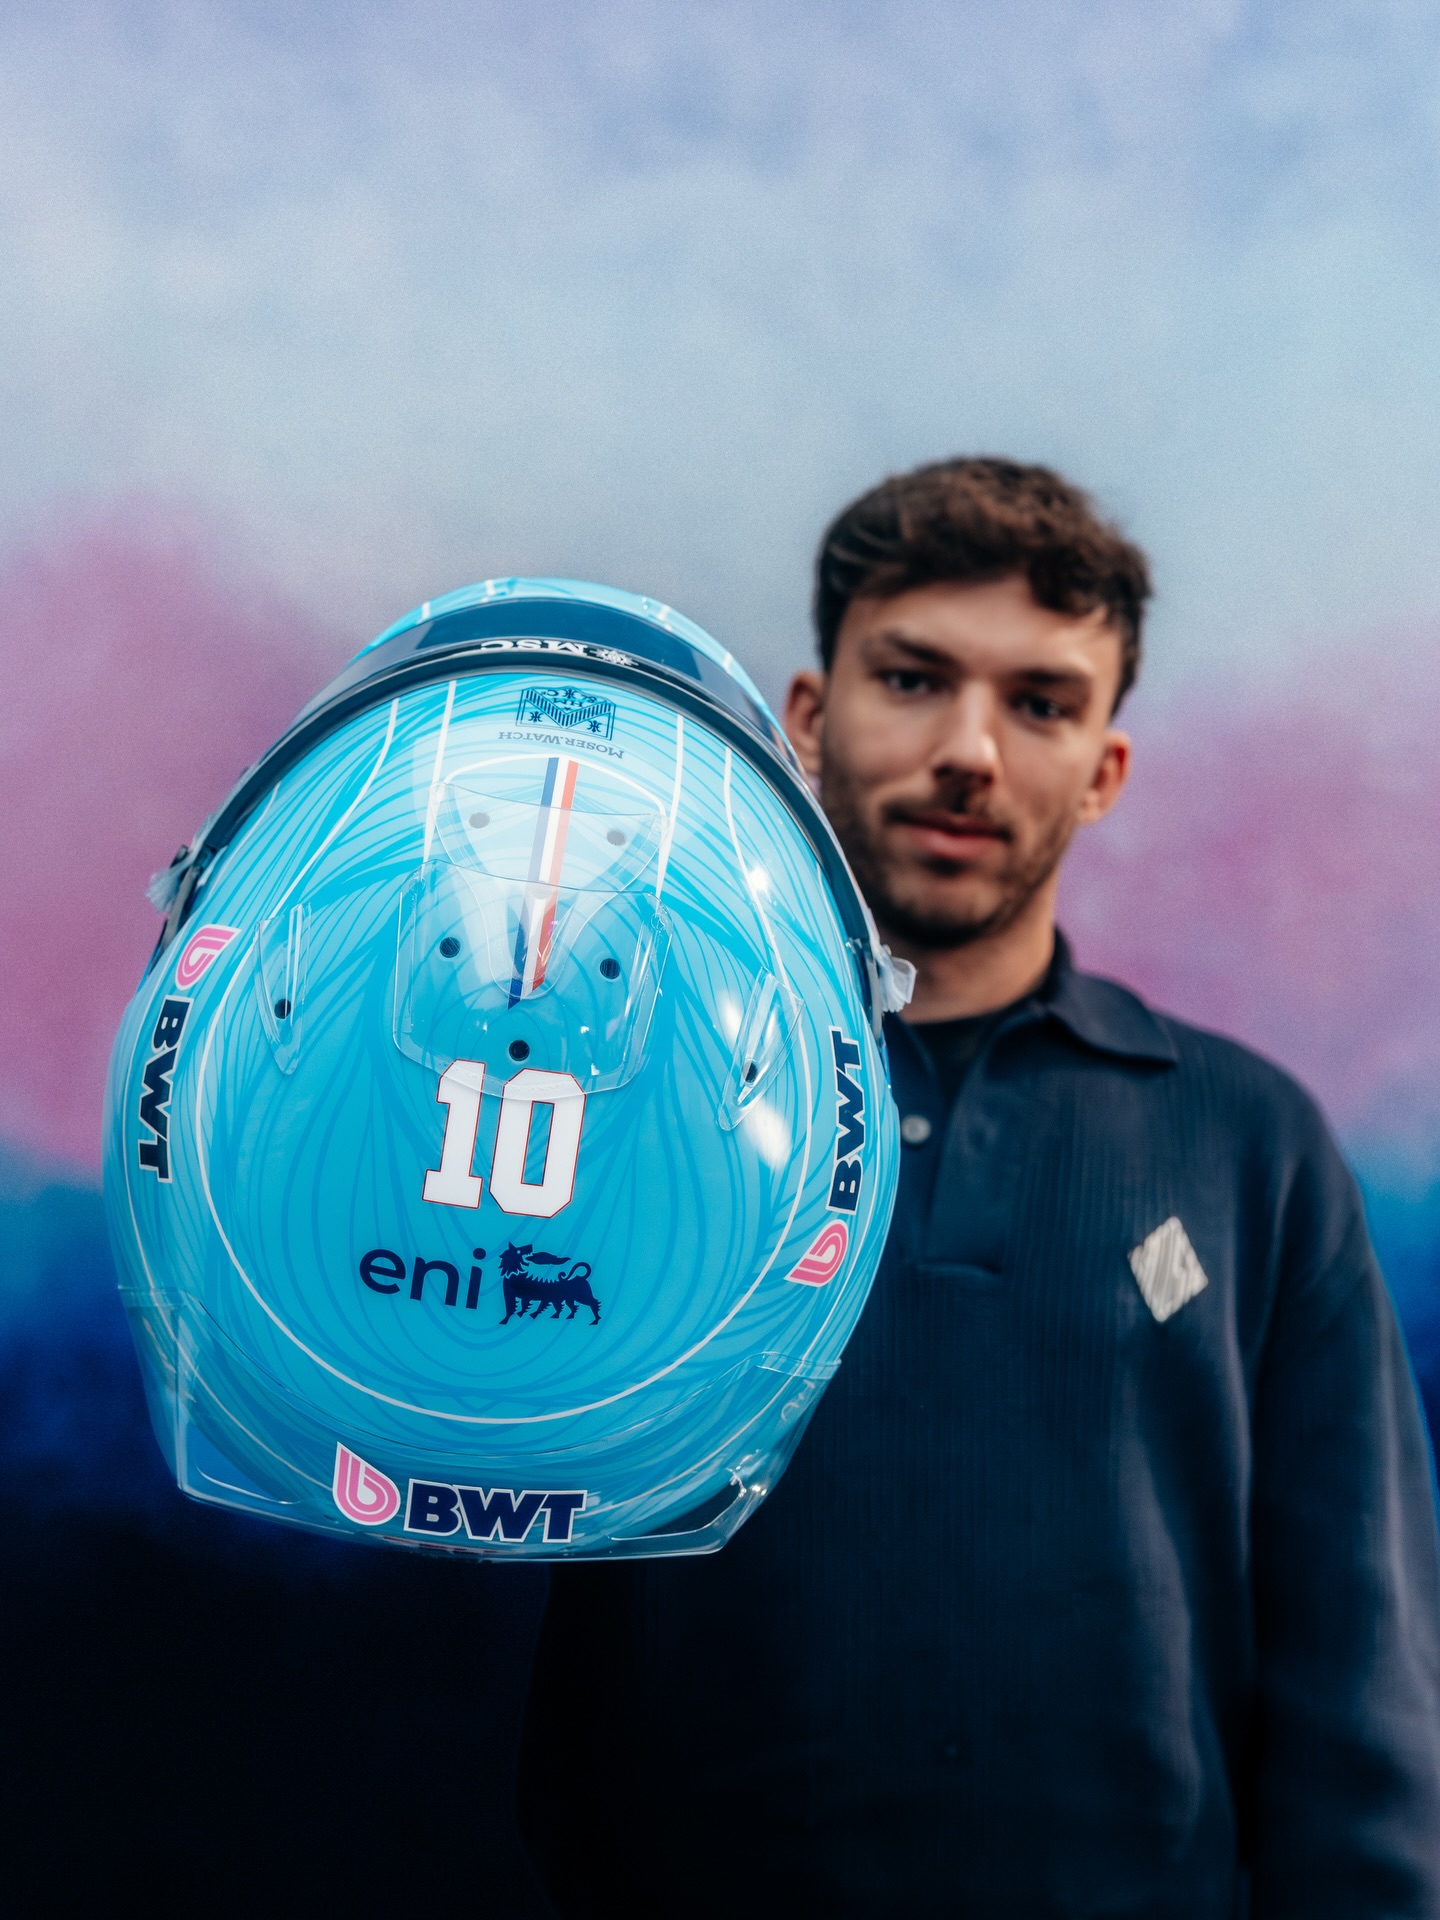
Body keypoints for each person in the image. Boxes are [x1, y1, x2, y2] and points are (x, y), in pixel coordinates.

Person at [519, 457, 1440, 1918]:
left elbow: (1363, 1689)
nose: (971, 751)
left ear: (1105, 771)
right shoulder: (609, 1091)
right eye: (913, 678)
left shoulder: (1250, 1144)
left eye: (1041, 703)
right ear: (809, 717)